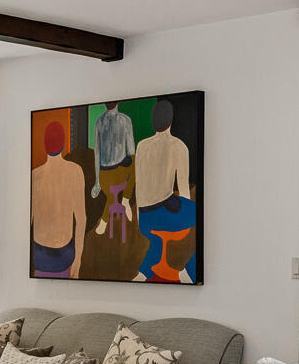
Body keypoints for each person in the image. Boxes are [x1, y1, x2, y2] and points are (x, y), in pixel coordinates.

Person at [30, 120, 86, 277]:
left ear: (45, 145)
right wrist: (78, 259)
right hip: (64, 254)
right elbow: (81, 219)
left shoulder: (35, 175)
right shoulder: (75, 171)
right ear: (63, 144)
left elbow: (29, 221)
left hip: (39, 255)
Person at [89, 101, 137, 238]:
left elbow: (97, 153)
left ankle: (104, 221)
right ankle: (126, 199)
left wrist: (97, 182)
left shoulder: (99, 122)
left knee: (111, 194)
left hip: (104, 176)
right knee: (135, 160)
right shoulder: (125, 120)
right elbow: (131, 151)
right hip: (119, 175)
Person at [132, 98, 190, 207]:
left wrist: (141, 217)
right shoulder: (179, 146)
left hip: (145, 212)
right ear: (170, 121)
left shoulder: (141, 146)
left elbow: (139, 188)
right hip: (164, 210)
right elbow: (184, 191)